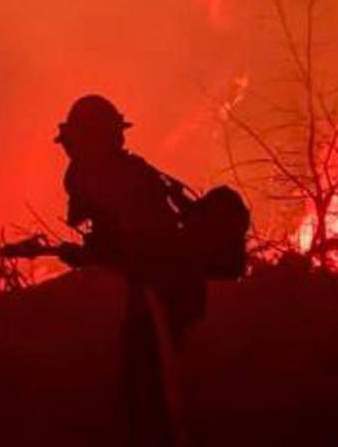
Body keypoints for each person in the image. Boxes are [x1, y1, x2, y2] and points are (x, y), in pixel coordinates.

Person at [54, 94, 205, 446]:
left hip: (165, 287)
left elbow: (140, 241)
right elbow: (115, 239)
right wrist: (89, 253)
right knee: (140, 375)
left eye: (76, 141)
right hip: (153, 285)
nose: (70, 151)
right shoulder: (113, 173)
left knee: (152, 381)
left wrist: (88, 254)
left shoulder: (120, 177)